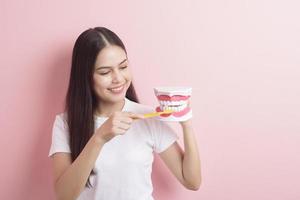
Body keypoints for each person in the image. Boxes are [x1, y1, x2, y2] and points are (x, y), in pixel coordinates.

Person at [48, 27, 201, 200]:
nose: (118, 78)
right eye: (105, 72)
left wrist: (186, 124)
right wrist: (99, 138)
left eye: (123, 67)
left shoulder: (147, 118)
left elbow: (192, 181)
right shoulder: (65, 124)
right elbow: (63, 196)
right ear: (85, 77)